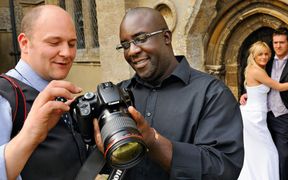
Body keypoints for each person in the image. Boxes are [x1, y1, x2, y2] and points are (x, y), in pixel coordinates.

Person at [104, 7, 244, 179]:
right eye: (125, 45)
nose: (132, 51)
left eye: (141, 38)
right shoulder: (117, 96)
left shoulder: (212, 94)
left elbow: (223, 169)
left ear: (166, 37)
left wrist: (154, 141)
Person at [0, 5, 87, 180]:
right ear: (25, 43)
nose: (67, 53)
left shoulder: (57, 90)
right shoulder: (5, 96)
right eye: (54, 43)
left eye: (72, 43)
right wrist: (29, 135)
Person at [240, 27, 288, 180]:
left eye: (281, 42)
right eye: (275, 42)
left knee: (284, 158)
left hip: (284, 119)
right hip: (263, 117)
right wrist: (248, 94)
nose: (278, 46)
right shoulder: (264, 62)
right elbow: (265, 85)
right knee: (263, 154)